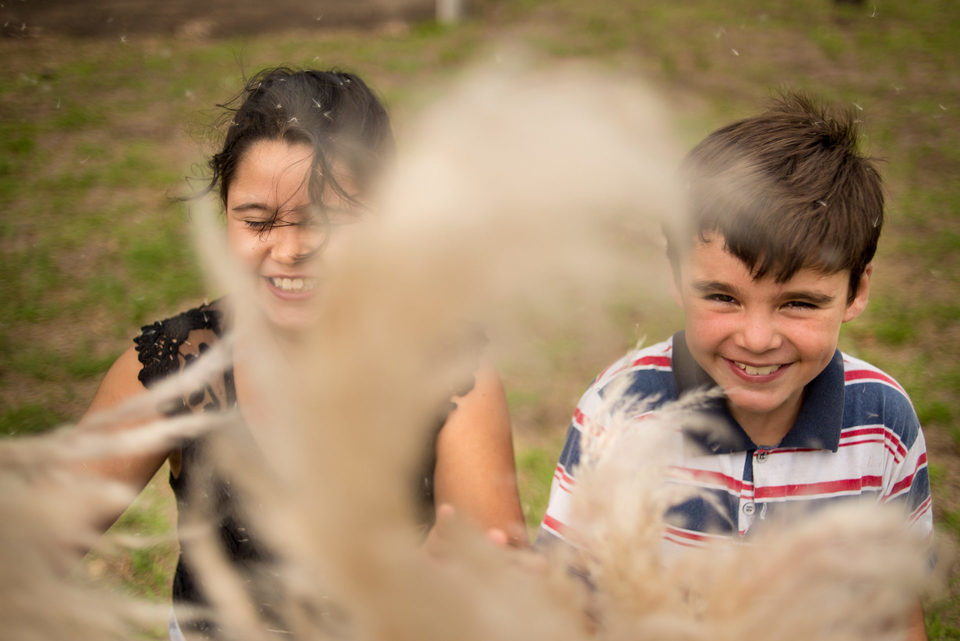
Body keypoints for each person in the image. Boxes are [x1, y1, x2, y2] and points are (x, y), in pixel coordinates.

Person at [77, 67, 526, 639]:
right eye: (258, 222)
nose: (290, 250)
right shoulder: (178, 367)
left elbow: (500, 584)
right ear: (225, 217)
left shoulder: (449, 375)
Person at [537, 92, 932, 639]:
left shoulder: (882, 424)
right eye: (722, 297)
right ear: (676, 276)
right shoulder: (620, 412)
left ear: (856, 289)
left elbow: (895, 609)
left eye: (799, 303)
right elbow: (567, 602)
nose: (756, 338)